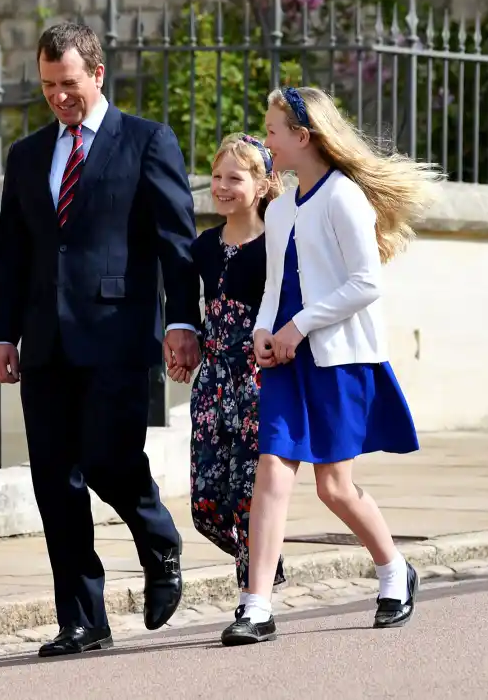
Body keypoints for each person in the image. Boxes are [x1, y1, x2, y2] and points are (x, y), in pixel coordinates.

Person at [0, 22, 202, 657]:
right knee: (56, 479)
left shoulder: (145, 141)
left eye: (70, 84)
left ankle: (158, 538)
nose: (59, 97)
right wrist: (3, 334)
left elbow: (177, 242)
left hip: (117, 333)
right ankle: (83, 619)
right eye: (49, 85)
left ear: (98, 75)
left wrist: (182, 322)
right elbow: (14, 251)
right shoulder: (27, 155)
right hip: (45, 340)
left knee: (109, 458)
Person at [219, 86, 444, 646]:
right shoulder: (285, 205)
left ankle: (394, 571)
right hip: (286, 359)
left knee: (335, 487)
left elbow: (366, 283)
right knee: (272, 471)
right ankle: (257, 604)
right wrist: (264, 332)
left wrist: (300, 327)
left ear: (303, 136)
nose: (266, 140)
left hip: (337, 357)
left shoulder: (344, 196)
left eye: (273, 131)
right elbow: (274, 286)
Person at [170, 134, 286, 618]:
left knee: (245, 494)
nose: (221, 186)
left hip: (256, 384)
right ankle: (266, 557)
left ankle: (252, 599)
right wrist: (188, 347)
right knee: (206, 504)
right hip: (213, 383)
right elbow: (197, 314)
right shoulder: (203, 247)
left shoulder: (276, 245)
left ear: (261, 186)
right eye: (216, 177)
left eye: (234, 178)